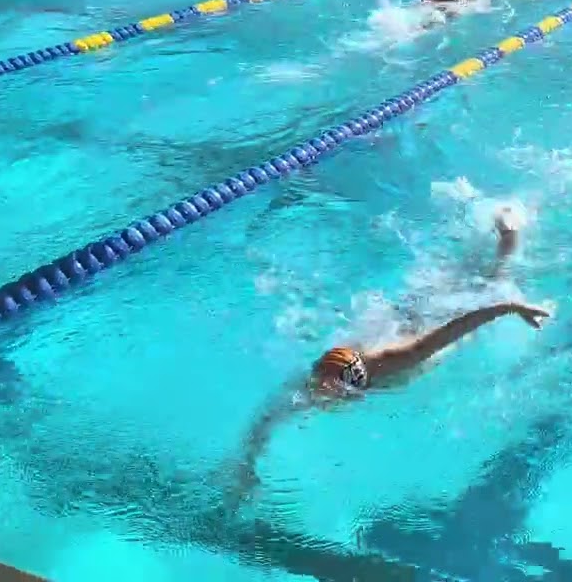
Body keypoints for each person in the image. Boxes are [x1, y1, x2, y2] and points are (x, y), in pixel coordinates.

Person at [226, 206, 548, 499]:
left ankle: (509, 232)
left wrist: (509, 307)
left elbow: (449, 332)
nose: (321, 401)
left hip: (432, 325)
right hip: (408, 318)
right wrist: (246, 467)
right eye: (322, 393)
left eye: (332, 395)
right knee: (457, 280)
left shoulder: (393, 361)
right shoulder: (320, 380)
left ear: (358, 380)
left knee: (493, 280)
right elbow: (268, 418)